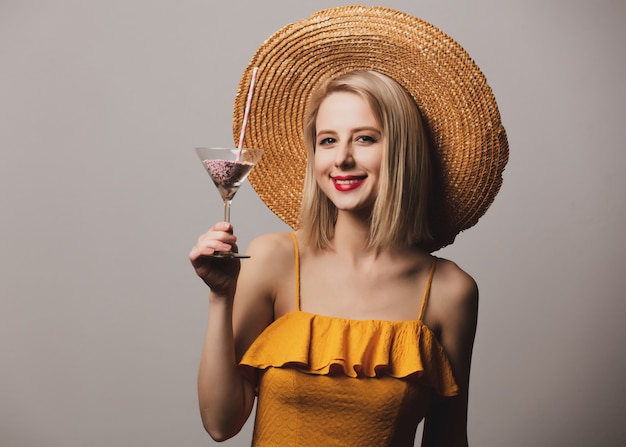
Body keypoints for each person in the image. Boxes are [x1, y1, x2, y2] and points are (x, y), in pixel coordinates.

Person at [190, 6, 508, 447]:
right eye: (327, 140)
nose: (341, 158)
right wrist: (220, 299)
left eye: (365, 138)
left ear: (401, 152)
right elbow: (221, 425)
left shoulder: (451, 291)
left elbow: (448, 437)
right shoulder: (273, 259)